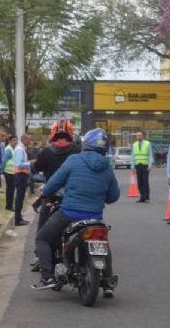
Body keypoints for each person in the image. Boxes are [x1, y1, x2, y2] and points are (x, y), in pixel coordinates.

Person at [31, 128, 120, 297]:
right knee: (103, 242)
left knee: (42, 238)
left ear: (85, 143)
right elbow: (113, 196)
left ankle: (48, 277)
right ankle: (108, 281)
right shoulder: (106, 166)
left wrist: (45, 193)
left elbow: (53, 183)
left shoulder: (74, 160)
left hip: (69, 213)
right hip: (94, 217)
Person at [32, 119, 81, 229]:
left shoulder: (47, 151)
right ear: (70, 133)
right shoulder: (77, 150)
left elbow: (37, 167)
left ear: (53, 133)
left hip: (52, 194)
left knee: (41, 232)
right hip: (73, 194)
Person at [12, 133, 32, 226]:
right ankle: (17, 219)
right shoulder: (20, 149)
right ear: (24, 139)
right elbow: (19, 164)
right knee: (19, 198)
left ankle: (19, 217)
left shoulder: (22, 148)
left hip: (22, 175)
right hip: (20, 175)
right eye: (29, 140)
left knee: (20, 197)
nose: (30, 141)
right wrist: (29, 163)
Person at [131, 131, 154, 203]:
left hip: (145, 165)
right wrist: (132, 166)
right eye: (137, 136)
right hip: (138, 165)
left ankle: (147, 197)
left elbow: (150, 154)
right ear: (136, 137)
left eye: (140, 135)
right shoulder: (134, 144)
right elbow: (133, 156)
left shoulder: (147, 143)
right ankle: (142, 197)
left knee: (145, 181)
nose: (139, 137)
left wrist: (150, 165)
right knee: (139, 182)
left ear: (142, 136)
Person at [2, 135, 18, 211]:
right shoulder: (8, 149)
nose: (16, 142)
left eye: (16, 140)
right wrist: (2, 171)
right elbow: (4, 160)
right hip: (8, 172)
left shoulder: (13, 149)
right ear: (10, 141)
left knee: (12, 189)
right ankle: (9, 206)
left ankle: (10, 205)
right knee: (10, 190)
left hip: (12, 172)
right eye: (14, 140)